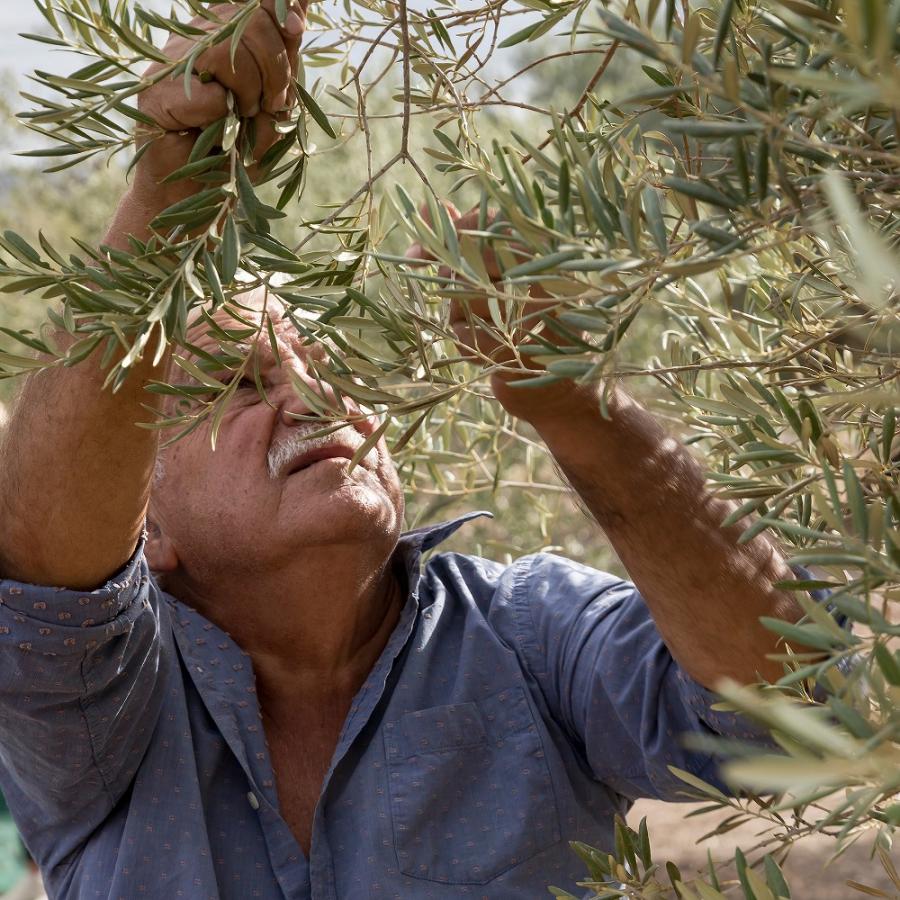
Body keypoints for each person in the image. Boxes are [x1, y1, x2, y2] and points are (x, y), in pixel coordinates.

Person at [0, 2, 812, 897]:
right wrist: (169, 192)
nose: (314, 400)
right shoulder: (103, 707)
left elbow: (783, 708)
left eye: (330, 366)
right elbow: (39, 557)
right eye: (239, 384)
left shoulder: (529, 637)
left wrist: (579, 404)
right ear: (146, 526)